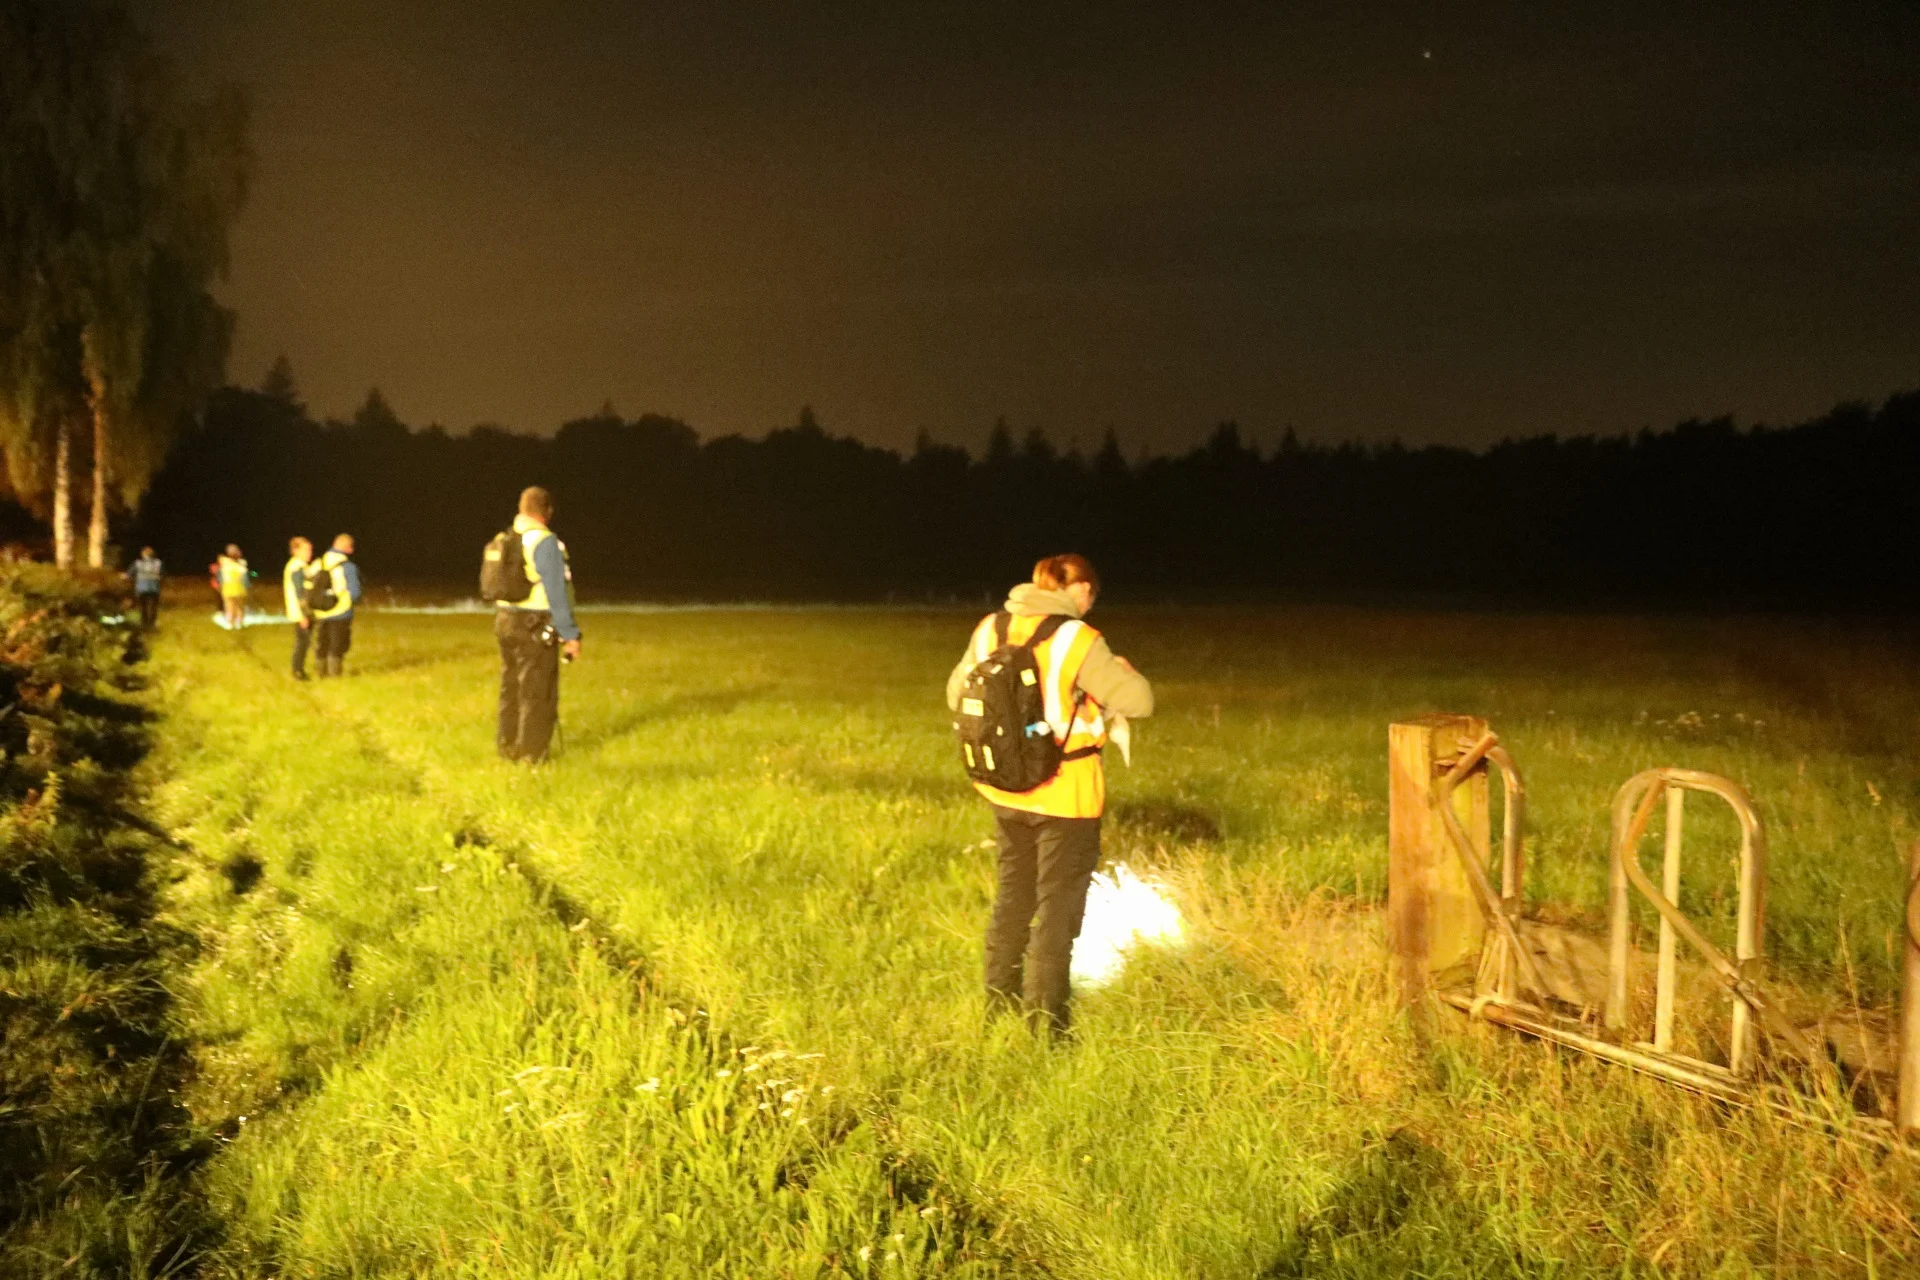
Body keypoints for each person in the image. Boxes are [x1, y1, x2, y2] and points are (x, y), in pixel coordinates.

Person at [946, 554, 1154, 1034]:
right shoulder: (1077, 639)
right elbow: (1139, 701)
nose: (1089, 606)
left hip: (1006, 790)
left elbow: (956, 694)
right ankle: (1047, 1028)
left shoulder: (991, 628)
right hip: (1066, 794)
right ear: (1080, 590)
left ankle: (998, 1007)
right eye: (1090, 596)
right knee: (1058, 911)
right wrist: (1123, 671)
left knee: (1013, 899)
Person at [494, 486, 581, 762]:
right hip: (534, 624)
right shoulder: (544, 541)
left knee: (511, 686)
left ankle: (507, 747)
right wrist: (570, 635)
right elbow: (557, 592)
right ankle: (532, 756)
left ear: (521, 508)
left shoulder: (505, 539)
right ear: (548, 512)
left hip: (504, 621)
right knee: (537, 691)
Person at [309, 534, 362, 677]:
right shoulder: (347, 567)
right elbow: (355, 592)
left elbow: (308, 585)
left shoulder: (318, 563)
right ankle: (334, 675)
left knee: (322, 643)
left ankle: (320, 673)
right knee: (337, 645)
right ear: (348, 548)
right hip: (341, 612)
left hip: (320, 611)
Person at [283, 536, 315, 680]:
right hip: (300, 612)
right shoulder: (297, 567)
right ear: (295, 550)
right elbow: (300, 593)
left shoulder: (300, 566)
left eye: (310, 550)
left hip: (299, 611)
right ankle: (297, 671)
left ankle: (298, 669)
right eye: (306, 550)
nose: (309, 553)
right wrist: (303, 614)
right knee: (303, 642)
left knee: (303, 641)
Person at [126, 546, 163, 628]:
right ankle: (152, 623)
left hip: (141, 588)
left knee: (143, 607)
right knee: (153, 607)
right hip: (154, 588)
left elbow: (129, 574)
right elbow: (162, 574)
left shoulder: (137, 563)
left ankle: (144, 622)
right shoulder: (158, 563)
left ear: (143, 554)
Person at [215, 544, 249, 628]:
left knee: (229, 607)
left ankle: (230, 622)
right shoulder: (242, 564)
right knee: (239, 607)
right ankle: (239, 622)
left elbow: (220, 560)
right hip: (240, 589)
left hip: (228, 589)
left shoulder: (224, 563)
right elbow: (245, 578)